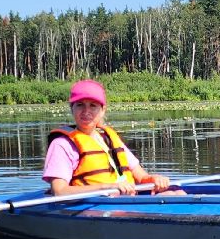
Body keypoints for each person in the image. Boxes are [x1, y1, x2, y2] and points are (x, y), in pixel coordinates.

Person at [43, 79, 178, 196]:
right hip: (94, 207)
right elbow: (59, 191)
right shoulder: (62, 144)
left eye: (93, 106)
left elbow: (141, 177)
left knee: (178, 193)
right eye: (80, 105)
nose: (86, 111)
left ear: (103, 110)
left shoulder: (108, 138)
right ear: (71, 108)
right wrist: (106, 187)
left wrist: (155, 179)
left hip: (127, 201)